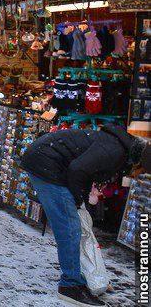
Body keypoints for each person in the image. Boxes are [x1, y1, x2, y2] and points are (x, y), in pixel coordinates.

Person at [21, 126, 151, 306]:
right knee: (70, 228)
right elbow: (77, 169)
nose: (139, 175)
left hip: (49, 162)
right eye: (143, 171)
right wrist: (76, 199)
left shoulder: (119, 148)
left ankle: (82, 276)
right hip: (46, 164)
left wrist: (81, 197)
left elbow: (85, 168)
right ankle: (70, 285)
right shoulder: (115, 151)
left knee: (74, 226)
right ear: (139, 163)